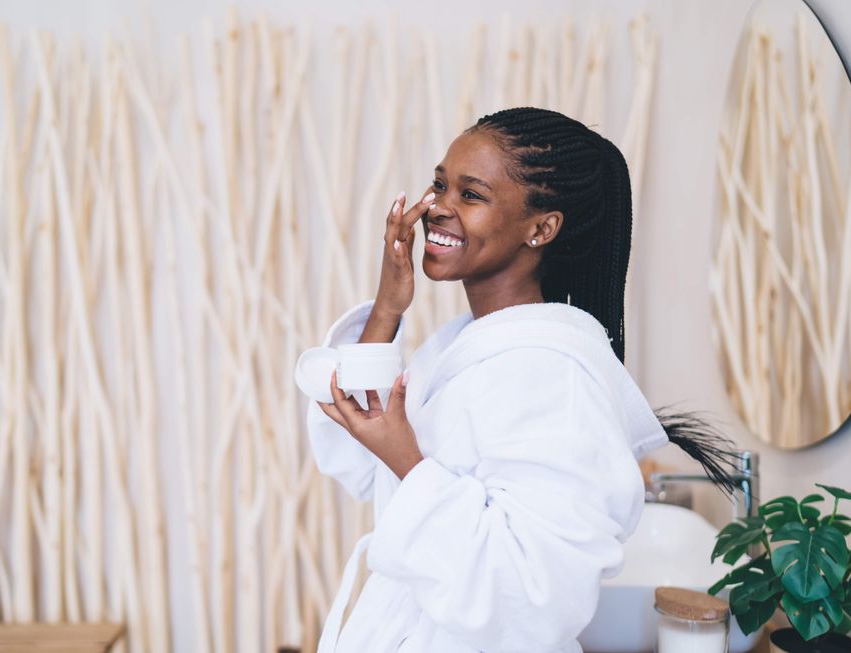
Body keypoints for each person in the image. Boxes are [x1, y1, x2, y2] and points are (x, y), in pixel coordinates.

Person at [305, 107, 739, 653]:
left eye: (471, 194)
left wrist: (407, 461)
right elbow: (355, 454)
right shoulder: (471, 348)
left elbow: (532, 599)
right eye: (439, 184)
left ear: (541, 228)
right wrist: (389, 304)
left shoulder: (554, 377)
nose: (438, 206)